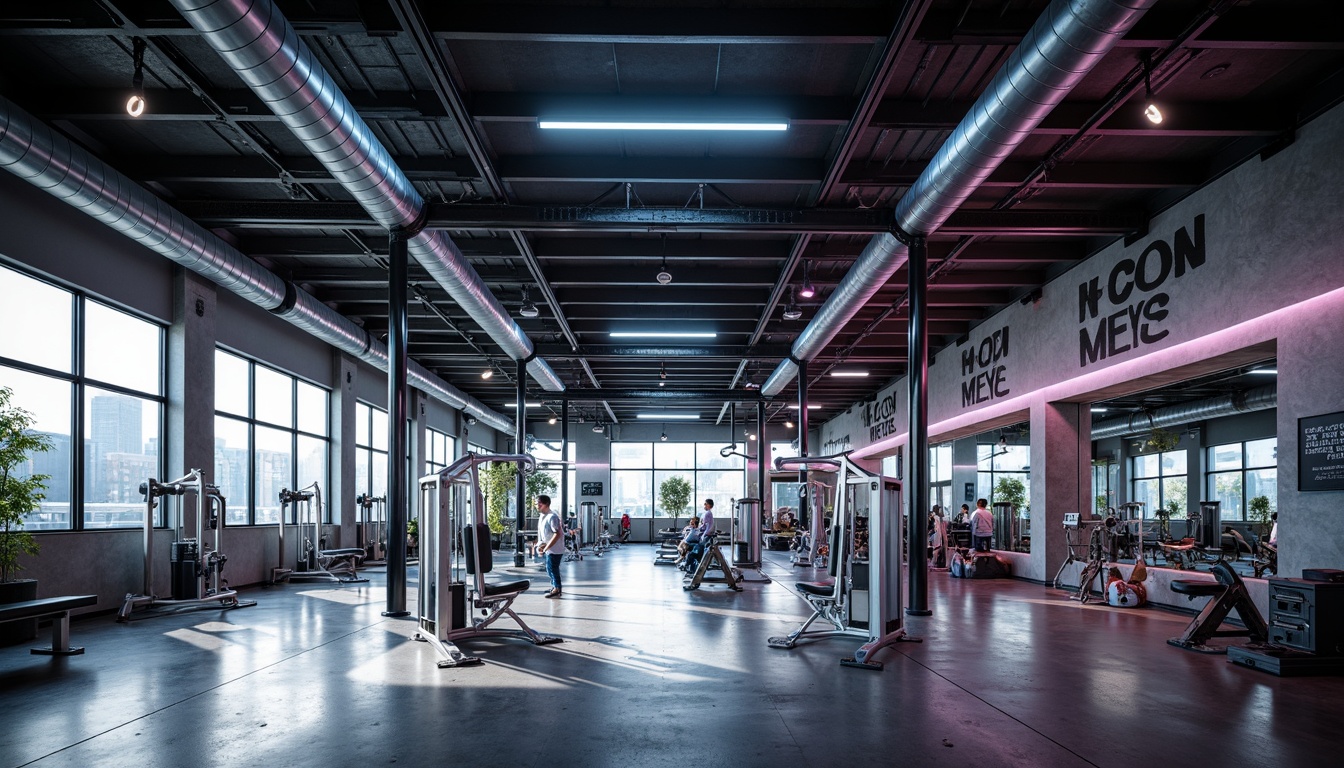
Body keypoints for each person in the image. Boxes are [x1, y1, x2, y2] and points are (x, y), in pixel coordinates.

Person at [535, 495, 565, 598]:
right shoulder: (542, 516)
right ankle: (554, 586)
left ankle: (557, 588)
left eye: (540, 503)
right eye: (537, 503)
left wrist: (546, 547)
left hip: (555, 548)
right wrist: (541, 545)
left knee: (553, 568)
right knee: (549, 568)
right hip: (549, 548)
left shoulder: (552, 517)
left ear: (546, 504)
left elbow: (557, 534)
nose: (537, 505)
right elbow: (543, 534)